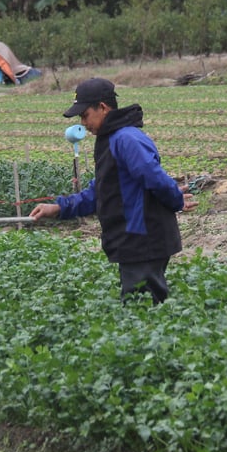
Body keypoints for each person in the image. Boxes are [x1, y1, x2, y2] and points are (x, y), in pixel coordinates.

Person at [30, 78, 197, 304]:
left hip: (142, 238)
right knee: (145, 307)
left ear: (103, 107)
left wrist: (176, 199)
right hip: (133, 240)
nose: (83, 123)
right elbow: (101, 192)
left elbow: (154, 177)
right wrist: (59, 207)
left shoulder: (126, 139)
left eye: (85, 115)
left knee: (143, 310)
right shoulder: (111, 139)